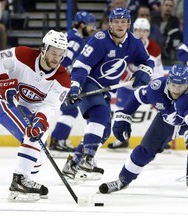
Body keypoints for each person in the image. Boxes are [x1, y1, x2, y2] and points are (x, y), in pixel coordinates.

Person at [61, 7, 155, 181]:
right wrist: (75, 87)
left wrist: (146, 71)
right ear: (110, 23)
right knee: (100, 114)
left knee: (104, 131)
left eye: (123, 21)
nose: (120, 25)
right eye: (116, 21)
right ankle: (88, 159)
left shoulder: (134, 42)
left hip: (106, 89)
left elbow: (148, 60)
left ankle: (73, 164)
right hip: (88, 84)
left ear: (128, 23)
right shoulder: (98, 40)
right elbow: (81, 66)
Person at [99, 64, 188, 198]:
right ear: (168, 81)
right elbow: (136, 96)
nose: (176, 90)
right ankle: (122, 180)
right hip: (169, 118)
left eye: (181, 86)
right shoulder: (156, 87)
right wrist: (125, 115)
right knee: (144, 150)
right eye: (173, 85)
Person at [0, 29, 70, 202]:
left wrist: (40, 120)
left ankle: (27, 179)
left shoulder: (63, 79)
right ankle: (19, 179)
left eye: (60, 55)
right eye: (53, 52)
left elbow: (50, 105)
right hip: (8, 103)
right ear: (44, 48)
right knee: (30, 135)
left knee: (41, 144)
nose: (56, 58)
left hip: (31, 112)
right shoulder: (22, 54)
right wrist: (2, 80)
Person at [107, 17, 163, 151]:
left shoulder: (154, 48)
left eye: (144, 31)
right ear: (133, 30)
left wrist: (155, 83)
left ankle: (161, 139)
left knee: (162, 110)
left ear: (148, 32)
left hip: (146, 85)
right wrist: (123, 77)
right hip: (126, 85)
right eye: (138, 30)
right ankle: (121, 139)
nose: (141, 33)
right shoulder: (126, 42)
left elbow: (157, 69)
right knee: (121, 112)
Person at [49, 11, 97, 158]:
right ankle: (57, 140)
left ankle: (59, 139)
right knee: (70, 110)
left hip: (59, 78)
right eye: (90, 25)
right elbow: (63, 60)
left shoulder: (73, 36)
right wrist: (72, 74)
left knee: (70, 110)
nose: (93, 28)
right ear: (82, 25)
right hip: (62, 79)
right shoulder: (75, 39)